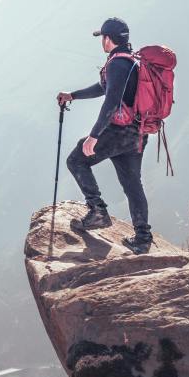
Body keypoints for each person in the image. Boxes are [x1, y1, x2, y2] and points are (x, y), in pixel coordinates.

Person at [56, 17, 152, 253]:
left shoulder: (118, 64)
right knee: (132, 184)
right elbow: (104, 88)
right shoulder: (130, 61)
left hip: (118, 132)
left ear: (108, 39)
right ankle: (143, 238)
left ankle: (97, 210)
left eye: (102, 37)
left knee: (76, 160)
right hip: (137, 133)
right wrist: (73, 95)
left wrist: (93, 136)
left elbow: (111, 101)